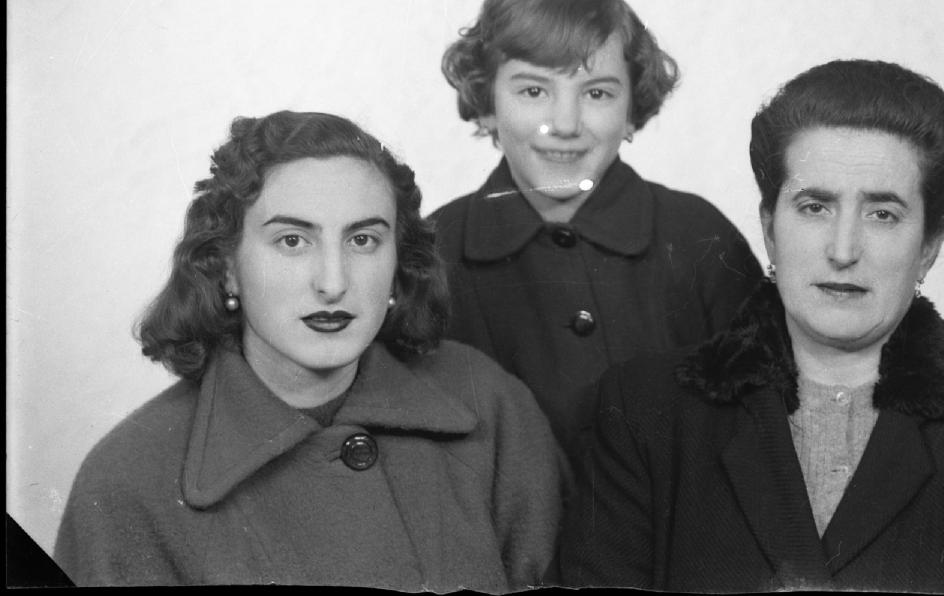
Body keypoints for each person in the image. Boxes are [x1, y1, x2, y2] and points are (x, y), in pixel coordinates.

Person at [560, 59, 944, 592]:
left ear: (929, 245)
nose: (843, 250)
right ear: (770, 230)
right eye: (815, 207)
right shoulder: (643, 412)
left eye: (882, 214)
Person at [54, 111, 563, 589]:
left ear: (398, 263)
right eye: (293, 241)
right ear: (226, 267)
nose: (333, 282)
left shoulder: (490, 406)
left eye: (363, 240)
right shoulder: (128, 479)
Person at [433, 0, 762, 476]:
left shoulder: (698, 235)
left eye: (597, 93)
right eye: (533, 91)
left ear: (631, 111)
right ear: (487, 104)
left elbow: (760, 430)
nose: (565, 124)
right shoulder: (436, 249)